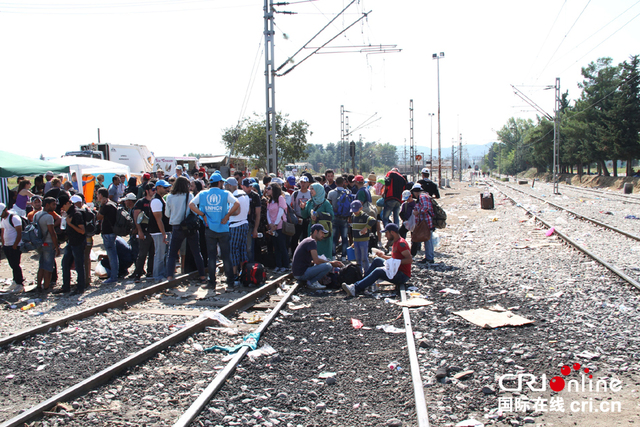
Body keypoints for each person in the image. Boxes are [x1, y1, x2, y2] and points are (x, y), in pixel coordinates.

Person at [189, 172, 239, 289]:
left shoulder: (202, 193)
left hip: (209, 228)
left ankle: (212, 282)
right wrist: (227, 216)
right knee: (226, 256)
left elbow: (191, 205)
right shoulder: (225, 193)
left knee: (211, 257)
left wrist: (203, 215)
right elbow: (236, 203)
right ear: (220, 182)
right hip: (223, 228)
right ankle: (230, 282)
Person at [342, 223, 412, 296]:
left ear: (392, 232)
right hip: (395, 270)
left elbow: (409, 260)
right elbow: (395, 259)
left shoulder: (401, 243)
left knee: (378, 271)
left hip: (402, 275)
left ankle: (356, 288)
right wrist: (383, 256)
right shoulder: (395, 242)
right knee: (377, 260)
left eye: (386, 233)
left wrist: (395, 262)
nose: (385, 236)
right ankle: (362, 282)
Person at [164, 176, 207, 283]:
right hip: (190, 226)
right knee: (196, 252)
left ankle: (170, 276)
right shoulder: (190, 196)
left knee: (172, 253)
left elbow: (167, 214)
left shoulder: (169, 197)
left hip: (176, 227)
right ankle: (202, 276)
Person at [292, 223, 344, 290]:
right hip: (301, 274)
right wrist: (332, 263)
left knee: (326, 263)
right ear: (316, 231)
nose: (323, 235)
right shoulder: (312, 242)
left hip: (298, 273)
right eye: (322, 233)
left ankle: (312, 282)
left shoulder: (308, 240)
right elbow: (316, 260)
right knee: (328, 266)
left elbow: (313, 260)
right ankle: (312, 283)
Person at [54, 195, 86, 295]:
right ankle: (66, 286)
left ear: (68, 203)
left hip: (78, 242)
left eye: (63, 205)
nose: (61, 208)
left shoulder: (76, 214)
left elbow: (82, 231)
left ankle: (80, 287)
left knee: (79, 265)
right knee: (65, 263)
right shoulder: (69, 213)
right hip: (71, 242)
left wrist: (70, 224)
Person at [300, 182, 334, 260]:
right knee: (313, 249)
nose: (310, 191)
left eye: (313, 189)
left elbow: (331, 216)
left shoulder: (326, 203)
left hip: (324, 230)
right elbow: (305, 215)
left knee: (324, 253)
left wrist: (318, 215)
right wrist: (302, 208)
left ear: (318, 190)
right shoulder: (310, 202)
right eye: (310, 189)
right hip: (312, 230)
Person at [224, 177, 250, 281]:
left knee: (234, 249)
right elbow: (248, 211)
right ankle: (244, 272)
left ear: (230, 185)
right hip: (244, 223)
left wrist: (227, 214)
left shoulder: (234, 196)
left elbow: (237, 211)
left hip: (235, 225)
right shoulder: (244, 194)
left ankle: (234, 274)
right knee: (242, 249)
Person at [131, 183, 156, 282]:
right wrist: (139, 231)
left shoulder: (155, 201)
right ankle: (138, 273)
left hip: (154, 231)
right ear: (147, 190)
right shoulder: (141, 202)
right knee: (142, 254)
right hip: (144, 231)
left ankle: (150, 272)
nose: (154, 191)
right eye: (152, 189)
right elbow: (136, 217)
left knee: (153, 253)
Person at [34, 197, 59, 292]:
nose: (55, 206)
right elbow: (52, 233)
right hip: (48, 243)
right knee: (48, 267)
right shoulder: (49, 217)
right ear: (47, 205)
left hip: (40, 243)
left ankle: (39, 285)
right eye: (53, 204)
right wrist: (56, 247)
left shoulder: (37, 215)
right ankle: (46, 287)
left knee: (41, 265)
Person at [150, 180, 173, 281]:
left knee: (163, 253)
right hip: (158, 232)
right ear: (158, 188)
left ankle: (162, 273)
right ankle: (157, 275)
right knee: (159, 254)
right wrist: (164, 234)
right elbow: (158, 219)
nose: (167, 189)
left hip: (162, 231)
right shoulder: (156, 201)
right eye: (165, 187)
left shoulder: (160, 199)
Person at [96, 188, 119, 284]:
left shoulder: (106, 206)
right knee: (113, 254)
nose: (97, 197)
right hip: (112, 231)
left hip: (108, 233)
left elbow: (98, 217)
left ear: (101, 195)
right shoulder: (113, 203)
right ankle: (115, 274)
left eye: (97, 195)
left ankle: (114, 276)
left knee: (112, 255)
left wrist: (101, 206)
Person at [265, 183, 290, 272]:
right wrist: (270, 223)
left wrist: (275, 224)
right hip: (272, 227)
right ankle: (278, 264)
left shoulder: (280, 198)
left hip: (280, 226)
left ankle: (285, 265)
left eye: (269, 188)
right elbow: (268, 212)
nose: (267, 190)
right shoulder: (269, 200)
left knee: (282, 246)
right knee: (276, 246)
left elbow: (280, 211)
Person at [0, 203, 25, 293]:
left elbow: (19, 232)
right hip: (7, 245)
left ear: (5, 210)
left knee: (15, 264)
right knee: (12, 265)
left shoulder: (14, 218)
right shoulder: (3, 220)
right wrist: (3, 244)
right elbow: (3, 232)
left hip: (14, 245)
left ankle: (19, 283)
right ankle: (15, 281)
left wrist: (15, 244)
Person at [327, 177, 350, 261]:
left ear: (335, 183)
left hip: (334, 218)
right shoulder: (348, 192)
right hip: (344, 218)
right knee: (344, 237)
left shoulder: (331, 193)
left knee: (334, 238)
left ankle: (333, 255)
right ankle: (344, 256)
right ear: (343, 183)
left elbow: (329, 205)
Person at [350, 200, 376, 274]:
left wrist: (366, 228)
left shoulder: (364, 216)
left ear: (361, 208)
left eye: (356, 210)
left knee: (364, 258)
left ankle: (367, 272)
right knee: (357, 258)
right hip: (356, 240)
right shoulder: (353, 216)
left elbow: (373, 220)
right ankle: (359, 272)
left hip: (363, 240)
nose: (355, 212)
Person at [411, 183, 435, 264]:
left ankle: (430, 258)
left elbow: (425, 207)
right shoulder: (424, 196)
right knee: (426, 239)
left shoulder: (422, 196)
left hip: (426, 222)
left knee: (428, 240)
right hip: (425, 221)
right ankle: (428, 257)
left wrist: (418, 212)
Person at [289, 176, 312, 256]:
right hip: (297, 218)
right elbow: (291, 206)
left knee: (307, 238)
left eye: (305, 182)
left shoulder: (310, 194)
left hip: (308, 218)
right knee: (295, 238)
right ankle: (294, 255)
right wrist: (295, 216)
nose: (303, 184)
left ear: (308, 184)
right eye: (301, 182)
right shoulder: (295, 194)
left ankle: (306, 255)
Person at [242, 178, 261, 263]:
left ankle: (250, 269)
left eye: (250, 186)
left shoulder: (255, 196)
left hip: (250, 224)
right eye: (247, 186)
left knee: (249, 248)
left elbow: (258, 214)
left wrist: (255, 229)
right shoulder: (239, 195)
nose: (249, 188)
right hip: (240, 224)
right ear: (242, 186)